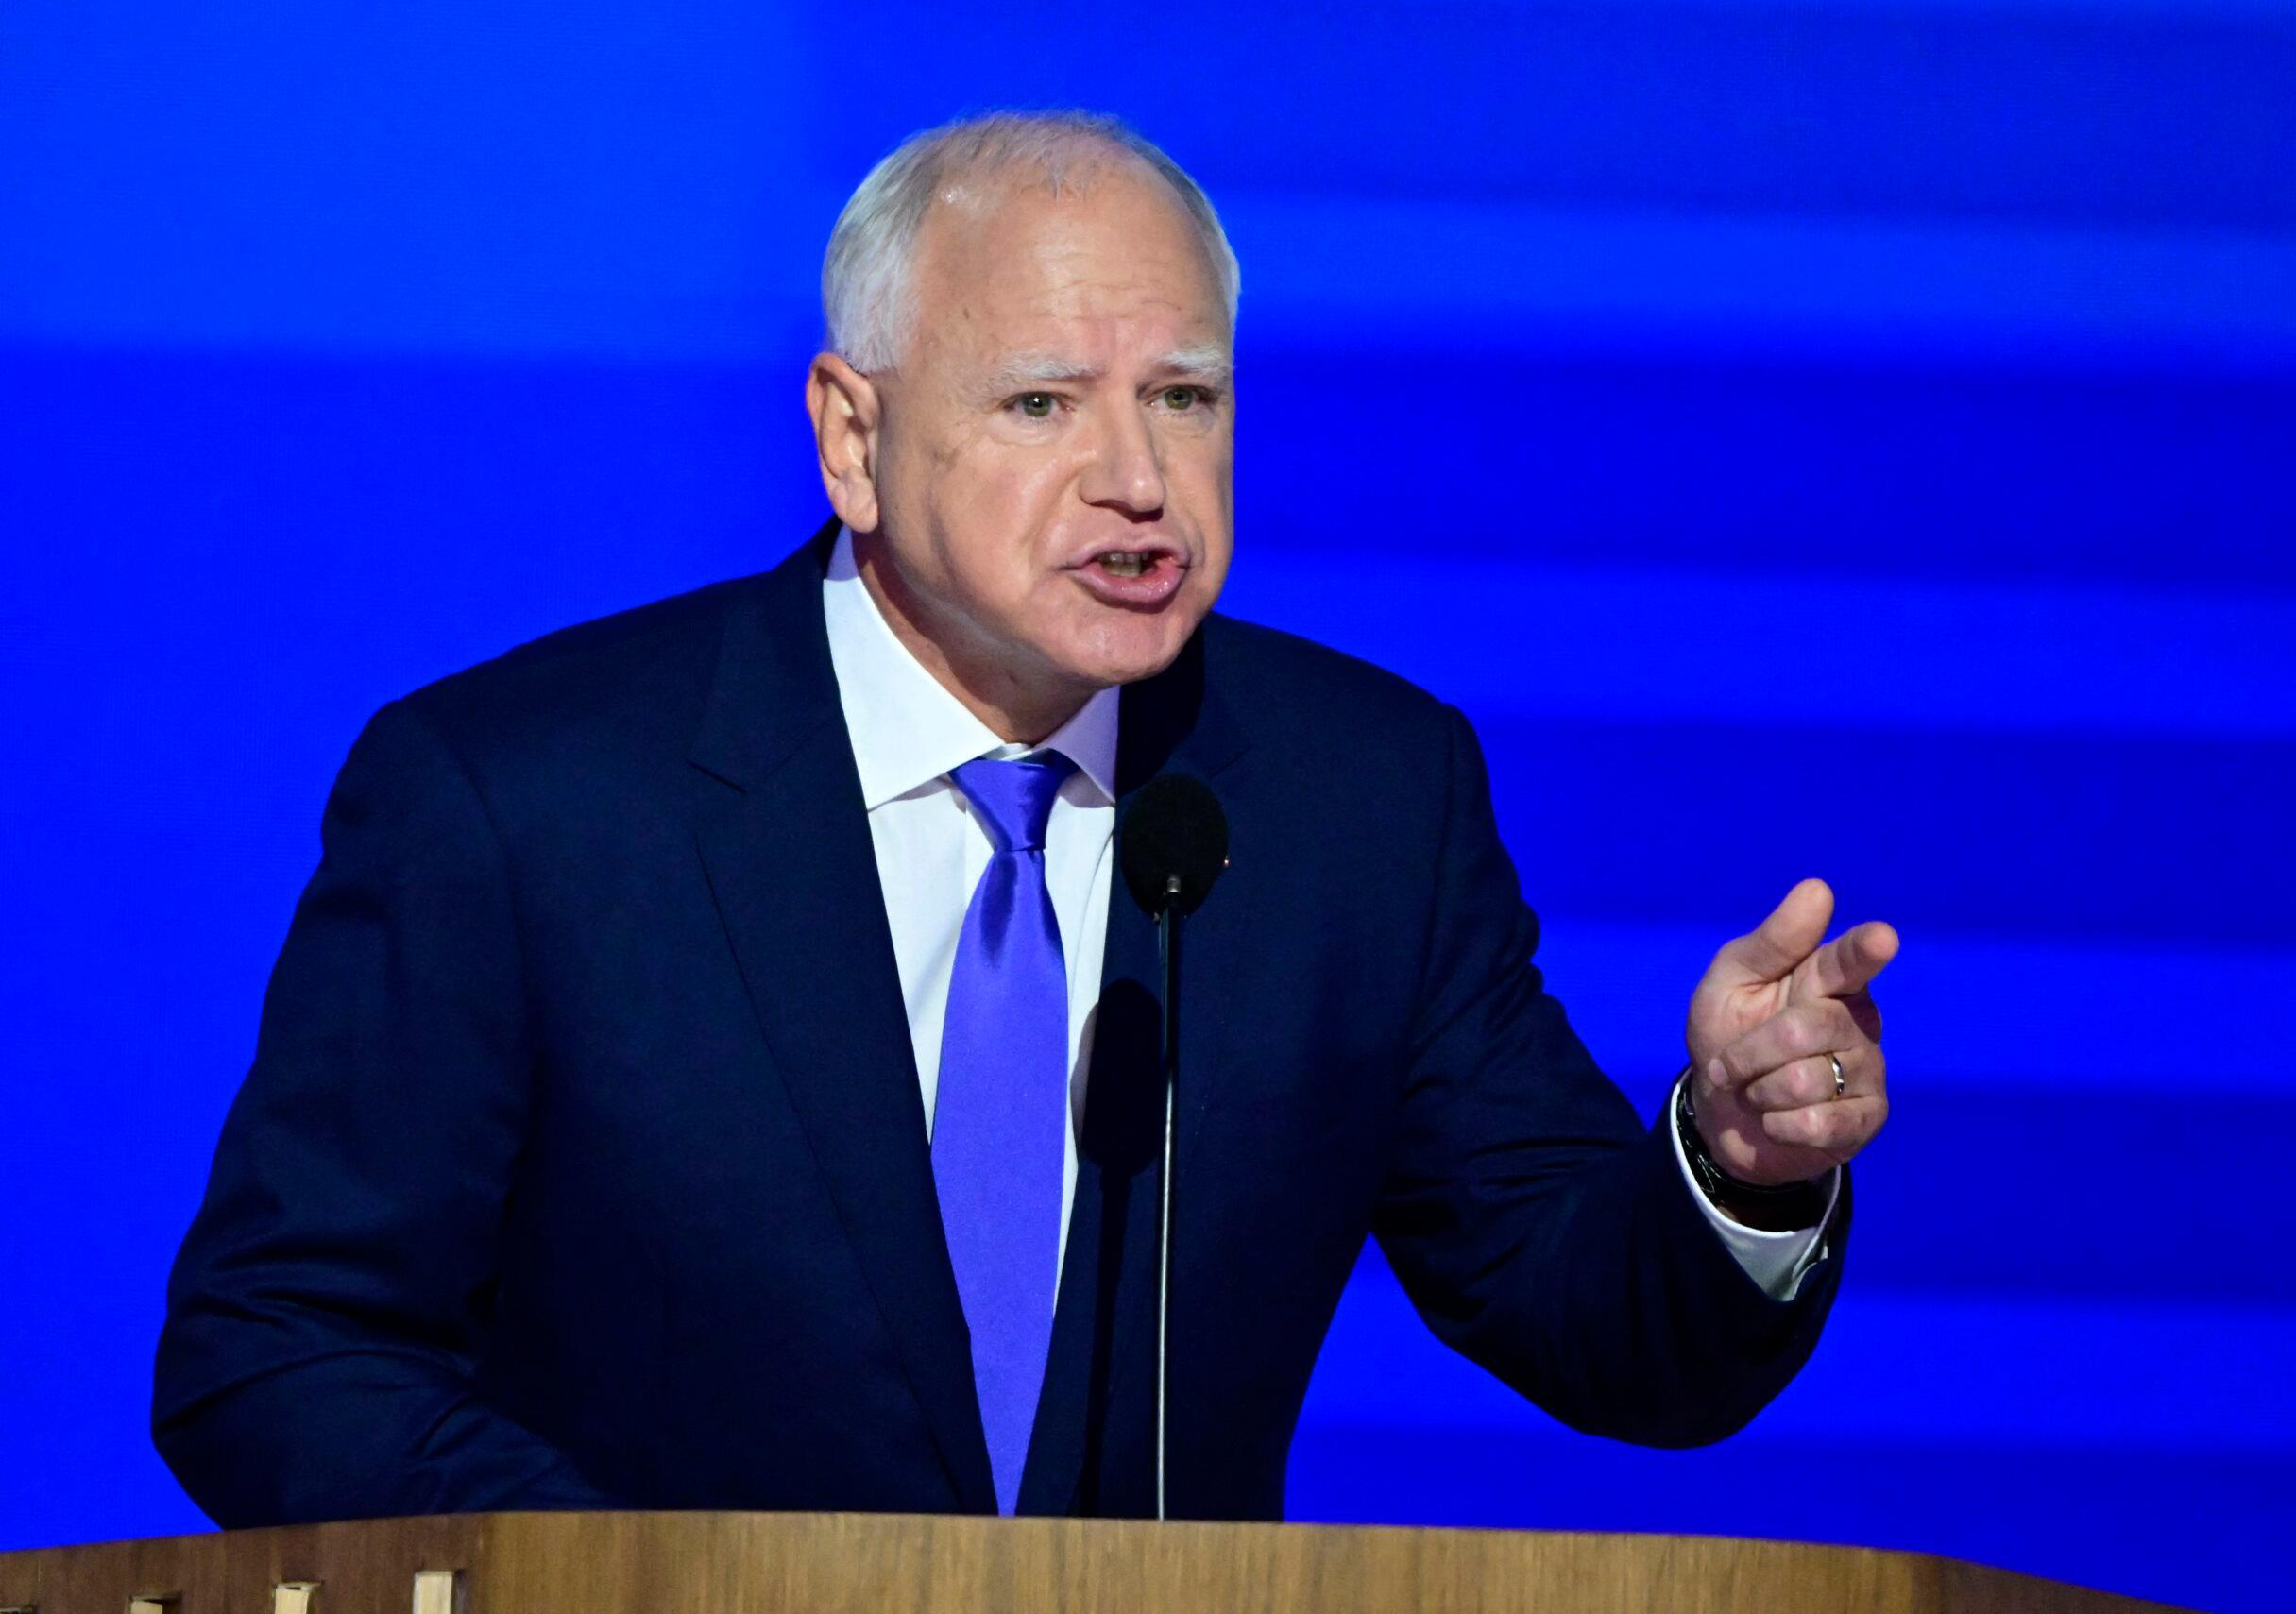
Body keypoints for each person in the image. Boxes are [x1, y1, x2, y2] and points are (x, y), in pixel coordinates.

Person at [153, 110, 1897, 1526]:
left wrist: (1736, 1172)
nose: (1138, 479)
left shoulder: (1361, 797)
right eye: (1045, 401)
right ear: (854, 437)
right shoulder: (526, 797)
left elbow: (1609, 1330)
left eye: (1186, 398)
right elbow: (278, 1347)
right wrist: (629, 1595)